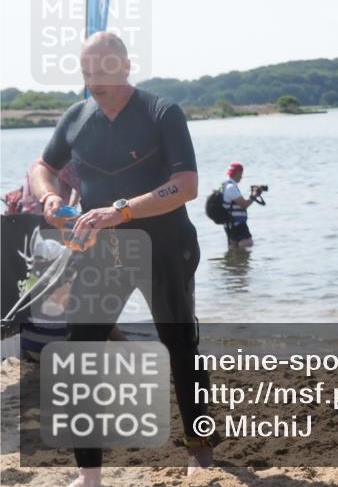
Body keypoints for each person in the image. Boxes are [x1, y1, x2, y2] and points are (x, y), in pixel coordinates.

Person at [29, 32, 214, 483]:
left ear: (126, 66)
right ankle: (90, 474)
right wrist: (49, 198)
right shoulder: (77, 117)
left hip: (164, 245)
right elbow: (42, 167)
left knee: (179, 344)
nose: (94, 80)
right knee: (80, 351)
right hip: (100, 252)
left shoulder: (160, 112)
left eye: (103, 69)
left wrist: (122, 209)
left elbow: (186, 184)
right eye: (86, 71)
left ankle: (199, 450)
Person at [221, 162, 262, 249]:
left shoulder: (224, 186)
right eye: (241, 173)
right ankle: (241, 261)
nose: (241, 176)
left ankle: (235, 261)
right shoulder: (231, 187)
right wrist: (255, 195)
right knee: (247, 243)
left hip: (229, 224)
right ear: (238, 173)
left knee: (234, 248)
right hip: (237, 224)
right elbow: (244, 205)